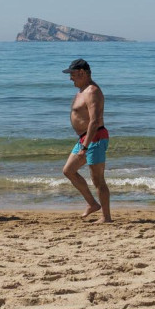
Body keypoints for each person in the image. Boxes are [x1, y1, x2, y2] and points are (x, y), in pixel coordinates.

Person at [61, 59, 111, 223]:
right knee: (68, 170)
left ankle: (106, 217)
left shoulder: (92, 91)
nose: (71, 79)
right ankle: (92, 204)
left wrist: (85, 146)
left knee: (98, 180)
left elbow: (94, 121)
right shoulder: (82, 90)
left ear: (82, 73)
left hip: (94, 138)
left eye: (73, 75)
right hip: (84, 138)